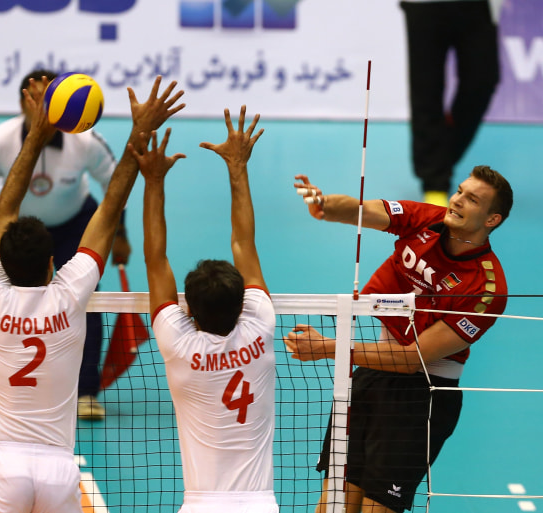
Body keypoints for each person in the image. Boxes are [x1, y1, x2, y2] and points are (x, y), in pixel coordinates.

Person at [0, 75, 183, 513]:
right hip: (60, 472)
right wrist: (141, 132)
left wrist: (37, 132)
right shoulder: (71, 294)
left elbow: (3, 208)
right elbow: (110, 205)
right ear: (52, 265)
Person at [285, 166, 513, 513]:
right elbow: (366, 210)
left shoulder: (487, 289)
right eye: (460, 191)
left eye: (472, 199)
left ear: (492, 218)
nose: (458, 200)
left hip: (422, 395)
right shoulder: (428, 219)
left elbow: (413, 359)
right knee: (334, 503)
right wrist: (326, 206)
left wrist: (329, 348)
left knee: (376, 509)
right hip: (371, 374)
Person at [134, 106, 278, 513]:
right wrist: (237, 167)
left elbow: (155, 260)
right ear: (242, 302)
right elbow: (244, 245)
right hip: (260, 506)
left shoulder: (178, 343)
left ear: (190, 312)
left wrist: (154, 182)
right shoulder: (260, 325)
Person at [0, 69, 129, 419]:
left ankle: (86, 391)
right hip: (20, 232)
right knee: (10, 309)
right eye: (37, 100)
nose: (43, 107)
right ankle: (16, 385)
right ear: (24, 103)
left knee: (86, 303)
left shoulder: (85, 141)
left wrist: (121, 234)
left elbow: (114, 184)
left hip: (74, 226)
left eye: (50, 100)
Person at [400, 0, 502, 207]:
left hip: (477, 5)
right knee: (426, 89)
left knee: (482, 81)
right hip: (424, 5)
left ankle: (440, 160)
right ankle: (434, 183)